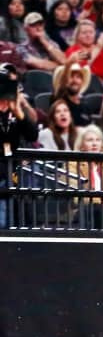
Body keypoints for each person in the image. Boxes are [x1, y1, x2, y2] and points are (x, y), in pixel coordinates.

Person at [0, 63, 38, 228]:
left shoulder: (14, 112)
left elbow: (32, 135)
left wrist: (18, 111)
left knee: (18, 221)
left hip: (12, 175)